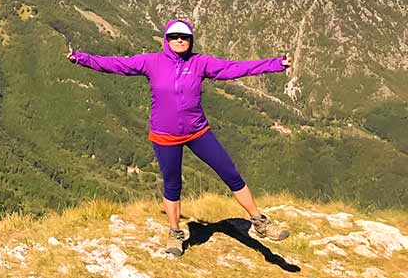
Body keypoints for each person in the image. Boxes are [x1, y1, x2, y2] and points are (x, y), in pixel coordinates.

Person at [67, 18, 291, 257]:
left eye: (184, 37)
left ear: (191, 40)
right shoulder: (151, 62)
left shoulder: (199, 62)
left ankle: (259, 222)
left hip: (198, 131)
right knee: (173, 184)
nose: (179, 40)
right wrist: (81, 58)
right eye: (174, 36)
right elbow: (116, 64)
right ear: (166, 39)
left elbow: (233, 68)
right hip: (165, 136)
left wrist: (276, 64)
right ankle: (174, 232)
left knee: (230, 173)